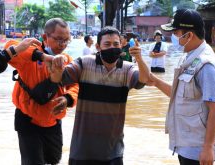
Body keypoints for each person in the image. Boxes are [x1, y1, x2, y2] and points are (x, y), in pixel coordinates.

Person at [48, 26, 150, 165]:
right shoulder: (84, 63)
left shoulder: (127, 69)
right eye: (107, 44)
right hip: (82, 149)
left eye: (116, 44)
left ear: (122, 44)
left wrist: (139, 58)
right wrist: (56, 64)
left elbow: (144, 79)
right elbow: (58, 79)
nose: (112, 48)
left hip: (112, 150)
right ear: (98, 46)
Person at [149, 9, 215, 165]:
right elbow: (179, 94)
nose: (173, 37)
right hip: (186, 145)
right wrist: (156, 81)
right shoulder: (189, 58)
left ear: (189, 35)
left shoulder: (207, 65)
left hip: (199, 149)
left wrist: (208, 147)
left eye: (176, 33)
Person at [4, 18, 79, 165]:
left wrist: (67, 99)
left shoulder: (68, 60)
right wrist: (43, 56)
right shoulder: (30, 55)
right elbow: (9, 47)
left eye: (66, 40)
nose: (62, 45)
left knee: (54, 161)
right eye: (58, 39)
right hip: (28, 120)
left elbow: (74, 85)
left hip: (54, 121)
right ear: (45, 37)